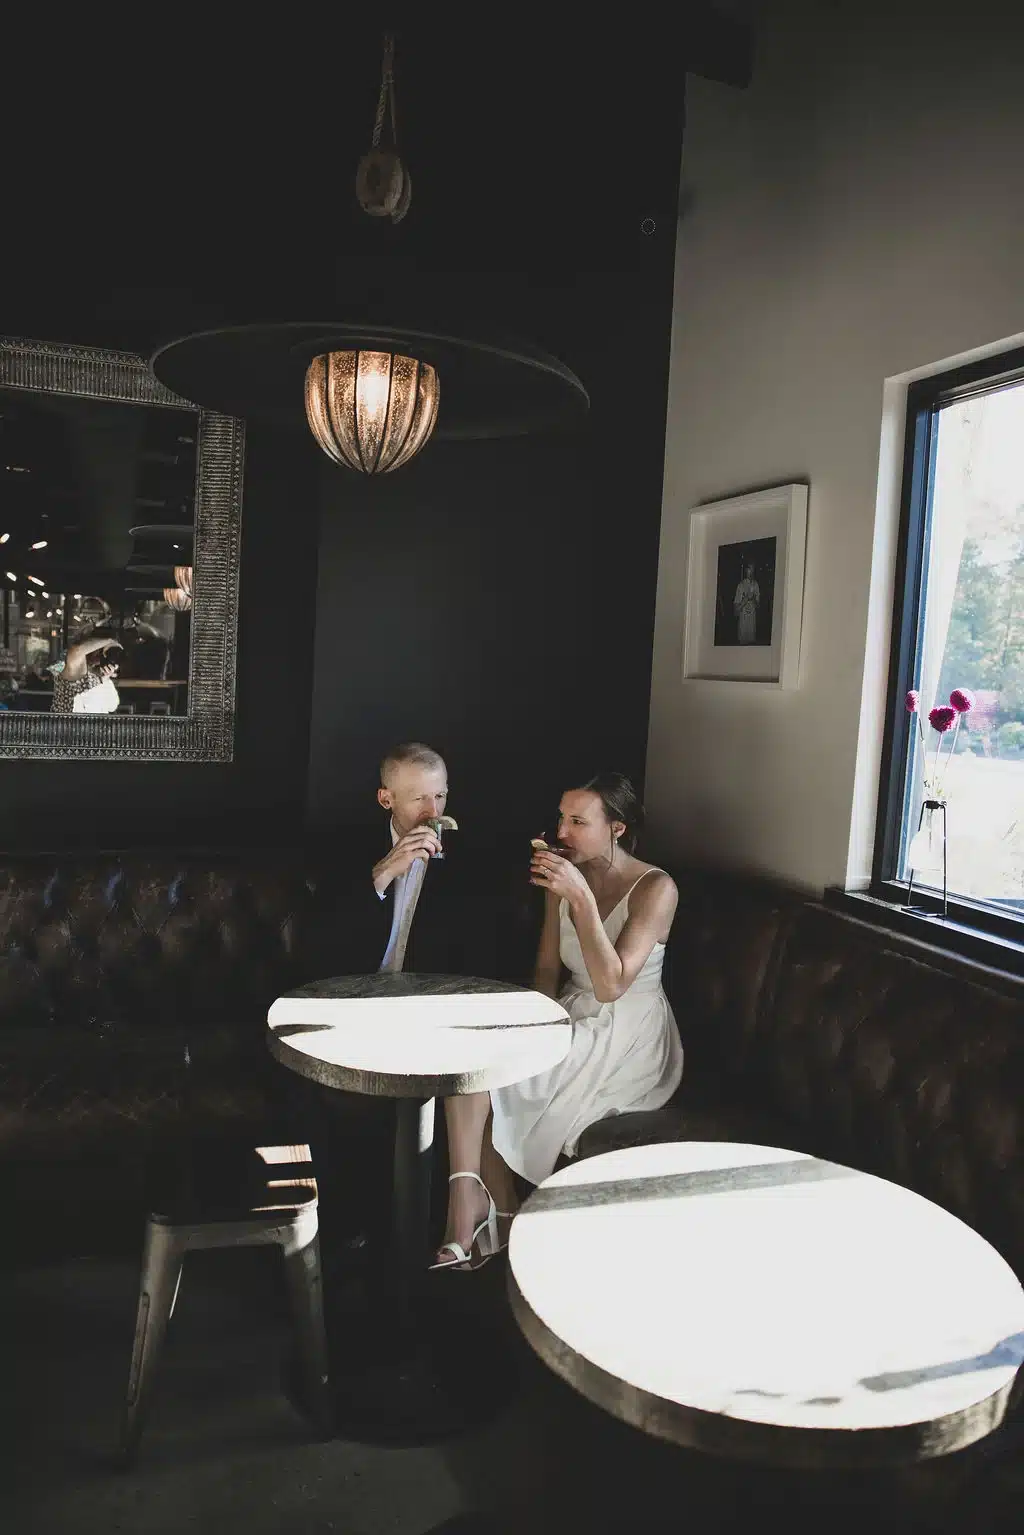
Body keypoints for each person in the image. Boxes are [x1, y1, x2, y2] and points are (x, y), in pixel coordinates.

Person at [431, 772, 683, 1270]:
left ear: (617, 828)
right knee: (470, 1061)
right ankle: (482, 1211)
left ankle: (485, 1222)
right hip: (569, 1011)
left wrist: (582, 899)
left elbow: (611, 985)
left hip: (624, 1031)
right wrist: (528, 1027)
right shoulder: (565, 871)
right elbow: (548, 967)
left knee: (490, 1084)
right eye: (560, 818)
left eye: (577, 821)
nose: (561, 832)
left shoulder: (657, 888)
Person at [49, 635, 123, 714]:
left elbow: (112, 706)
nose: (100, 657)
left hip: (93, 725)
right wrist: (110, 641)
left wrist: (106, 677)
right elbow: (77, 650)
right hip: (71, 724)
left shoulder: (103, 680)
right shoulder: (72, 671)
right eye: (98, 650)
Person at [733, 559, 760, 645]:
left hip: (752, 628)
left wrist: (753, 599)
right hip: (743, 627)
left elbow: (758, 606)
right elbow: (736, 611)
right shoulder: (740, 586)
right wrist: (746, 599)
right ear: (745, 570)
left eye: (753, 569)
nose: (751, 572)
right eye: (749, 569)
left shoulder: (756, 585)